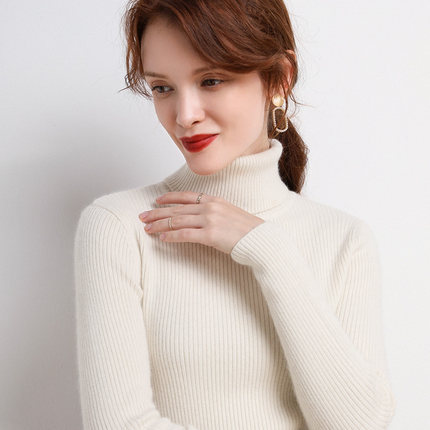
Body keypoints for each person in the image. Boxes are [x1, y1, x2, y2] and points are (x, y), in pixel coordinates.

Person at [73, 0, 397, 429]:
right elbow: (119, 423)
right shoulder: (121, 226)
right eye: (162, 88)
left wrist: (270, 253)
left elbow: (360, 424)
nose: (185, 116)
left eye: (210, 80)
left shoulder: (343, 239)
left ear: (280, 78)